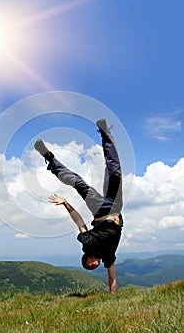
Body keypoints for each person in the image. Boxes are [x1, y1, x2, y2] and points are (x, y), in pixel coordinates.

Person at [34, 119, 123, 294]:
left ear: (88, 260)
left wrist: (65, 203)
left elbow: (80, 223)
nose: (93, 267)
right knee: (115, 172)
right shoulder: (108, 257)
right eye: (93, 268)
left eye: (90, 267)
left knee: (78, 183)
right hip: (116, 207)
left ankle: (50, 159)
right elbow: (112, 278)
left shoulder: (87, 245)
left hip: (100, 210)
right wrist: (113, 298)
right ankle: (105, 134)